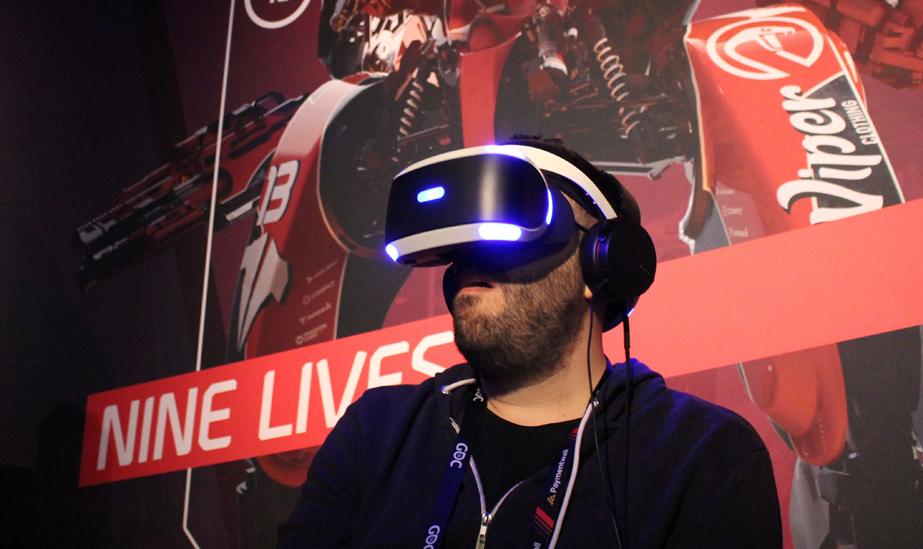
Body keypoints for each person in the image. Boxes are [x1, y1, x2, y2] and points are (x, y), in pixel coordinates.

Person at [278, 139, 781, 548]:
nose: (471, 261)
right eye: (462, 243)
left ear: (599, 266)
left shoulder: (701, 455)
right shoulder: (381, 432)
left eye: (505, 230)